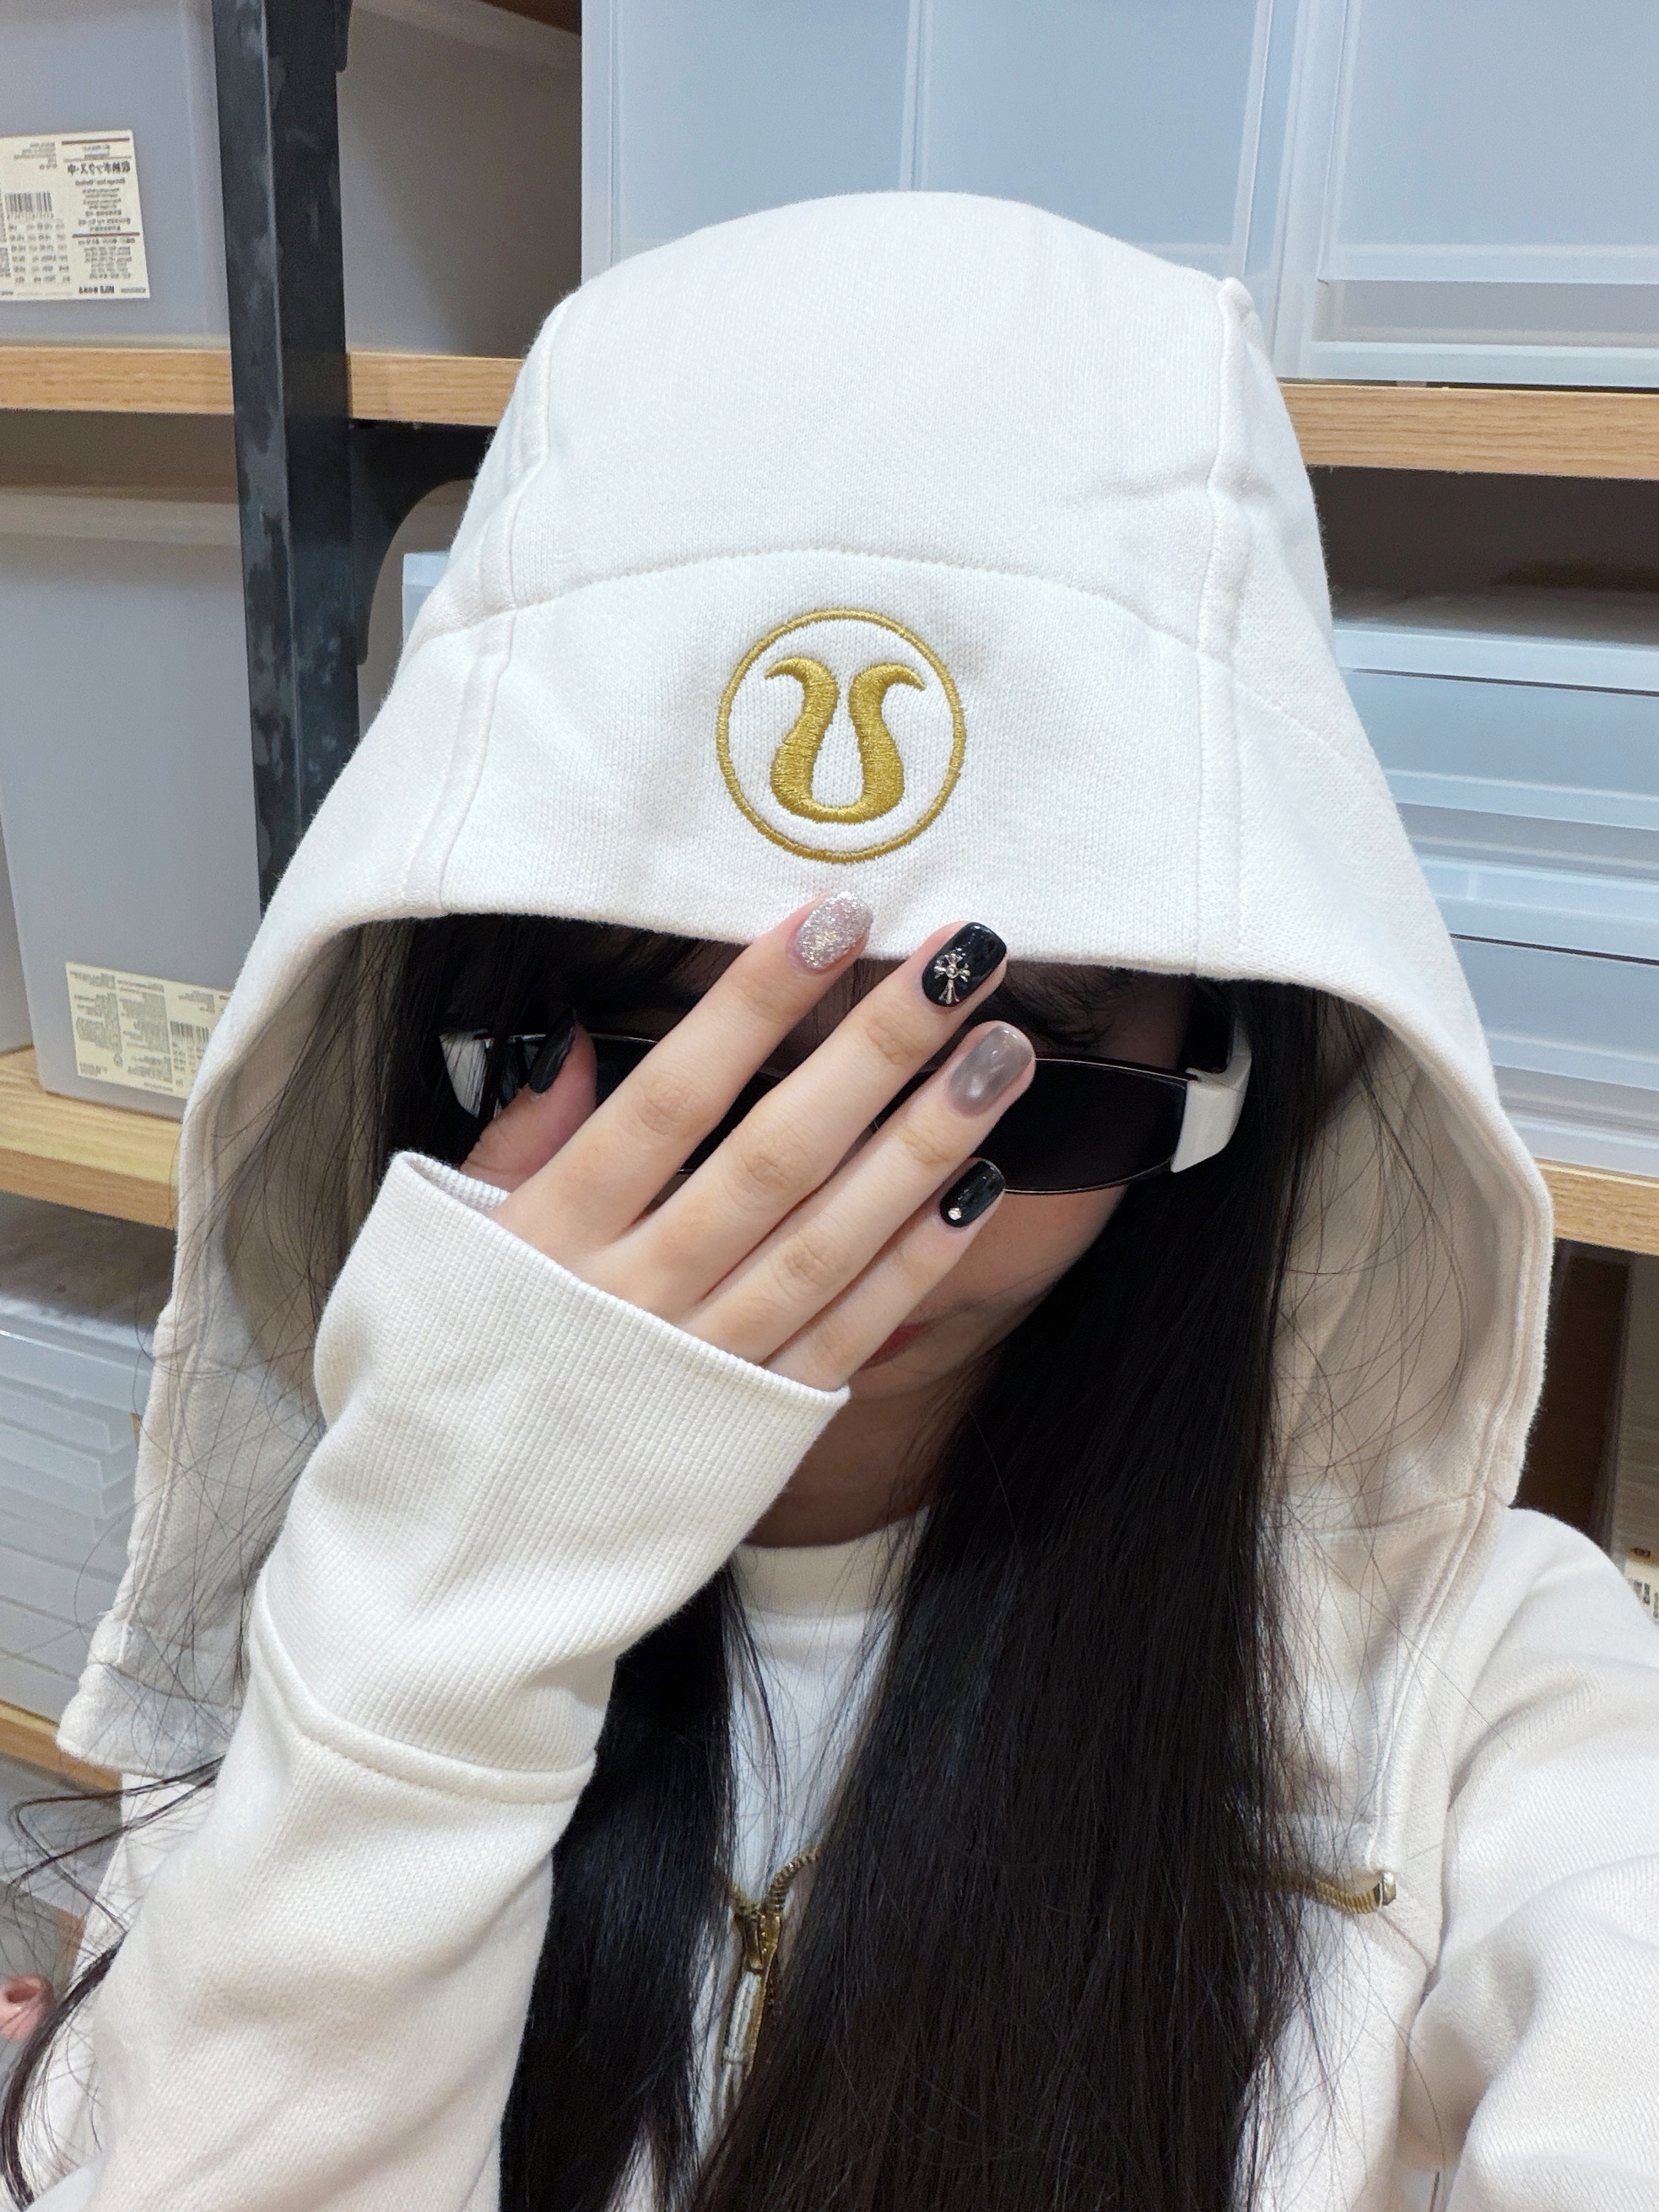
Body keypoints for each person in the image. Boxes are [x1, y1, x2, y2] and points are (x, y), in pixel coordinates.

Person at [5, 193, 1656, 2212]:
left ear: (1227, 1045)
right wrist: (436, 1623)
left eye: (1005, 1052)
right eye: (659, 1029)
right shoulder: (346, 1578)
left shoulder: (1490, 1688)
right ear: (475, 1019)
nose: (827, 1192)